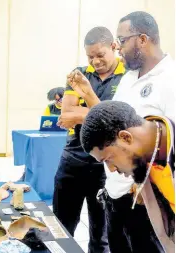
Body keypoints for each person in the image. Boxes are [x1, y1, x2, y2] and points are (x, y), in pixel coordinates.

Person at [67, 11, 175, 252]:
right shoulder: (128, 79)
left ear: (143, 40)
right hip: (115, 195)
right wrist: (88, 94)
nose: (117, 48)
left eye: (121, 41)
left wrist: (144, 186)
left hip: (145, 202)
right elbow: (109, 126)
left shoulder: (171, 80)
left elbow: (169, 148)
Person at [54, 26, 126, 253]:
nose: (95, 61)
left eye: (100, 55)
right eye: (90, 56)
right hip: (72, 160)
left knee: (101, 235)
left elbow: (118, 122)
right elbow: (66, 115)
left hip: (107, 166)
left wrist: (82, 112)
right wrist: (99, 115)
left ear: (114, 46)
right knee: (61, 228)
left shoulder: (127, 77)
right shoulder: (79, 74)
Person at [80, 100, 175, 253]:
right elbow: (154, 206)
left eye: (108, 159)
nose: (111, 169)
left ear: (125, 137)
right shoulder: (143, 155)